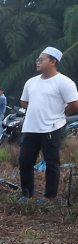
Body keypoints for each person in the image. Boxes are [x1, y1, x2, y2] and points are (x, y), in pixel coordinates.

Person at [18, 47, 78, 205]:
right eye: (38, 59)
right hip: (31, 128)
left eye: (41, 59)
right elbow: (24, 102)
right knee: (25, 161)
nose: (37, 62)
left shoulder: (64, 82)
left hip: (52, 127)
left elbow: (73, 104)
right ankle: (26, 194)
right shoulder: (31, 82)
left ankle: (49, 196)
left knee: (51, 162)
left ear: (53, 62)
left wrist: (59, 115)